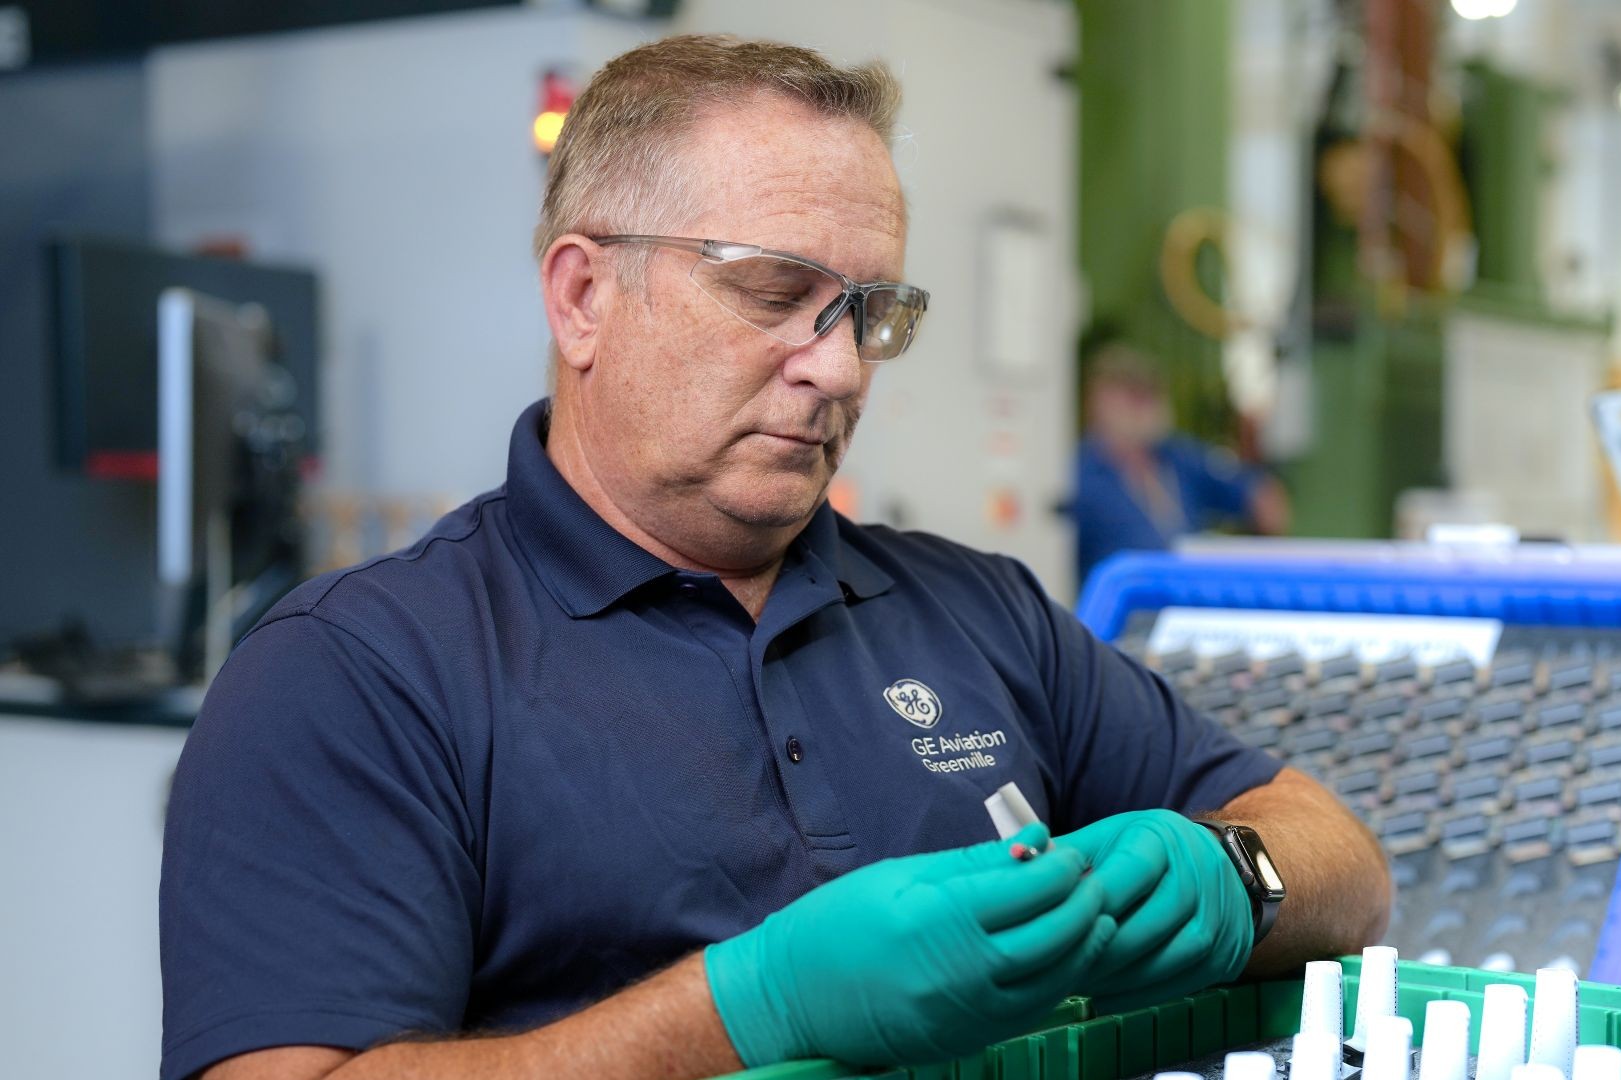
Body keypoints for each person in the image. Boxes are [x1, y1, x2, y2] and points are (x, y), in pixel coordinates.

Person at [159, 35, 1389, 1080]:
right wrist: (745, 1007)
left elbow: (1343, 859)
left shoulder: (974, 610)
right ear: (583, 296)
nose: (842, 368)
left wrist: (1232, 875)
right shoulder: (360, 673)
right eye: (772, 293)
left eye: (869, 311)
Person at [1071, 345, 1290, 581]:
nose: (1142, 407)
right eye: (1131, 395)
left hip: (1184, 597)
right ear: (1098, 401)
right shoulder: (1079, 475)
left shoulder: (1179, 457)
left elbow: (1257, 497)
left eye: (1149, 394)